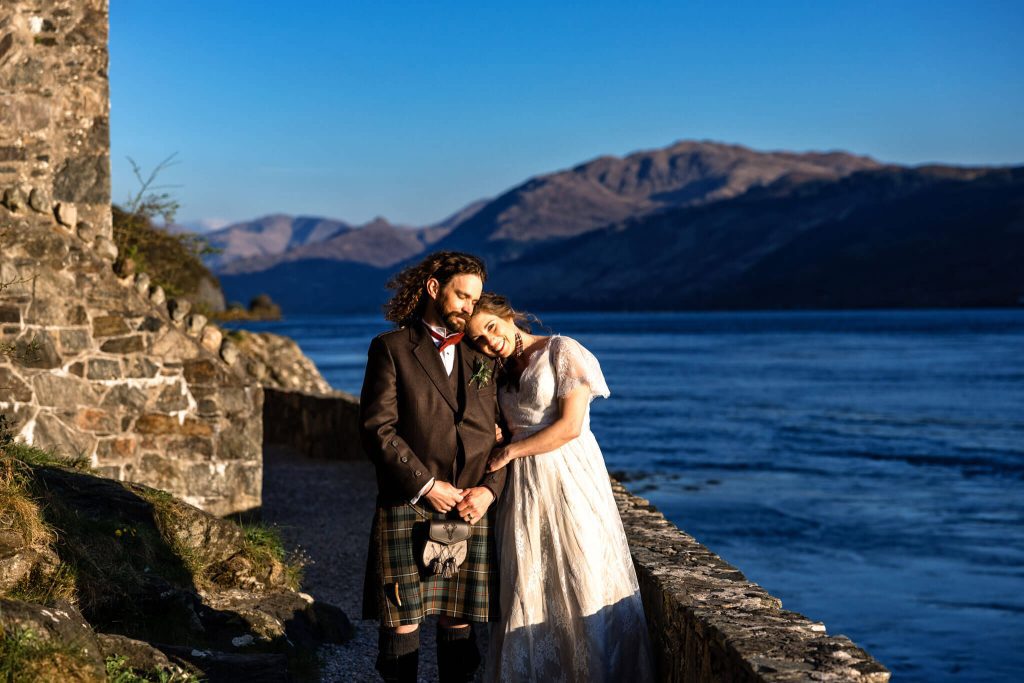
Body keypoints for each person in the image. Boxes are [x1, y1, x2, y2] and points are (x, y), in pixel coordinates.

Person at [466, 292, 655, 683]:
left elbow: (570, 426)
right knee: (528, 580)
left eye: (490, 327)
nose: (488, 340)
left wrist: (510, 450)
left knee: (580, 571)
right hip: (523, 489)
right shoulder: (496, 369)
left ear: (507, 315)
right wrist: (501, 435)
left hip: (569, 477)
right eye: (478, 339)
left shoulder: (561, 350)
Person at [360, 252, 507, 683]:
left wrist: (490, 490)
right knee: (402, 617)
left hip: (470, 504)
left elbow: (505, 435)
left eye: (475, 300)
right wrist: (426, 485)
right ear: (433, 289)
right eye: (462, 296)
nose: (469, 307)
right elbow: (377, 429)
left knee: (458, 619)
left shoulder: (484, 352)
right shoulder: (391, 349)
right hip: (410, 500)